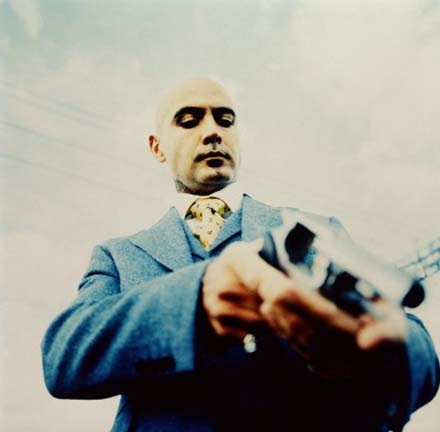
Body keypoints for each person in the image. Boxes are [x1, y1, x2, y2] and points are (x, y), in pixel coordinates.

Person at [41, 77, 439, 431]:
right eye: (189, 120)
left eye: (225, 120)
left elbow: (412, 344)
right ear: (156, 147)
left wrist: (391, 357)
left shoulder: (315, 231)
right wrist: (195, 302)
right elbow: (62, 357)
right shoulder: (119, 255)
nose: (213, 132)